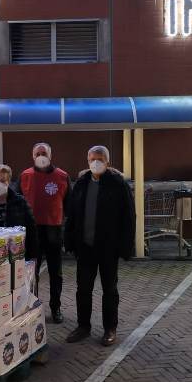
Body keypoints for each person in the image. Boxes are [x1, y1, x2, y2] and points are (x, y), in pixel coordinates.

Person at [64, 146, 135, 347]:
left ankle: (110, 328)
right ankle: (83, 326)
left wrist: (125, 246)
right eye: (92, 159)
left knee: (109, 290)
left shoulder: (118, 184)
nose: (96, 162)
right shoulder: (81, 183)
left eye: (100, 159)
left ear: (107, 161)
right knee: (83, 289)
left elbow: (129, 216)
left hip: (108, 248)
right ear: (87, 161)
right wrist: (69, 240)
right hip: (85, 247)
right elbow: (72, 214)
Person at [19, 142, 70, 324]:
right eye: (38, 153)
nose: (41, 156)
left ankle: (56, 308)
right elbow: (18, 203)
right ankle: (32, 307)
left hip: (53, 230)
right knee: (31, 273)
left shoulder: (62, 176)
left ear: (50, 155)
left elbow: (69, 204)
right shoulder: (25, 176)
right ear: (33, 156)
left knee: (56, 272)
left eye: (44, 153)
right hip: (32, 232)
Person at [0, 164, 38, 259]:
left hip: (16, 252)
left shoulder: (20, 202)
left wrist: (32, 256)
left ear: (9, 181)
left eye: (3, 181)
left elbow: (31, 229)